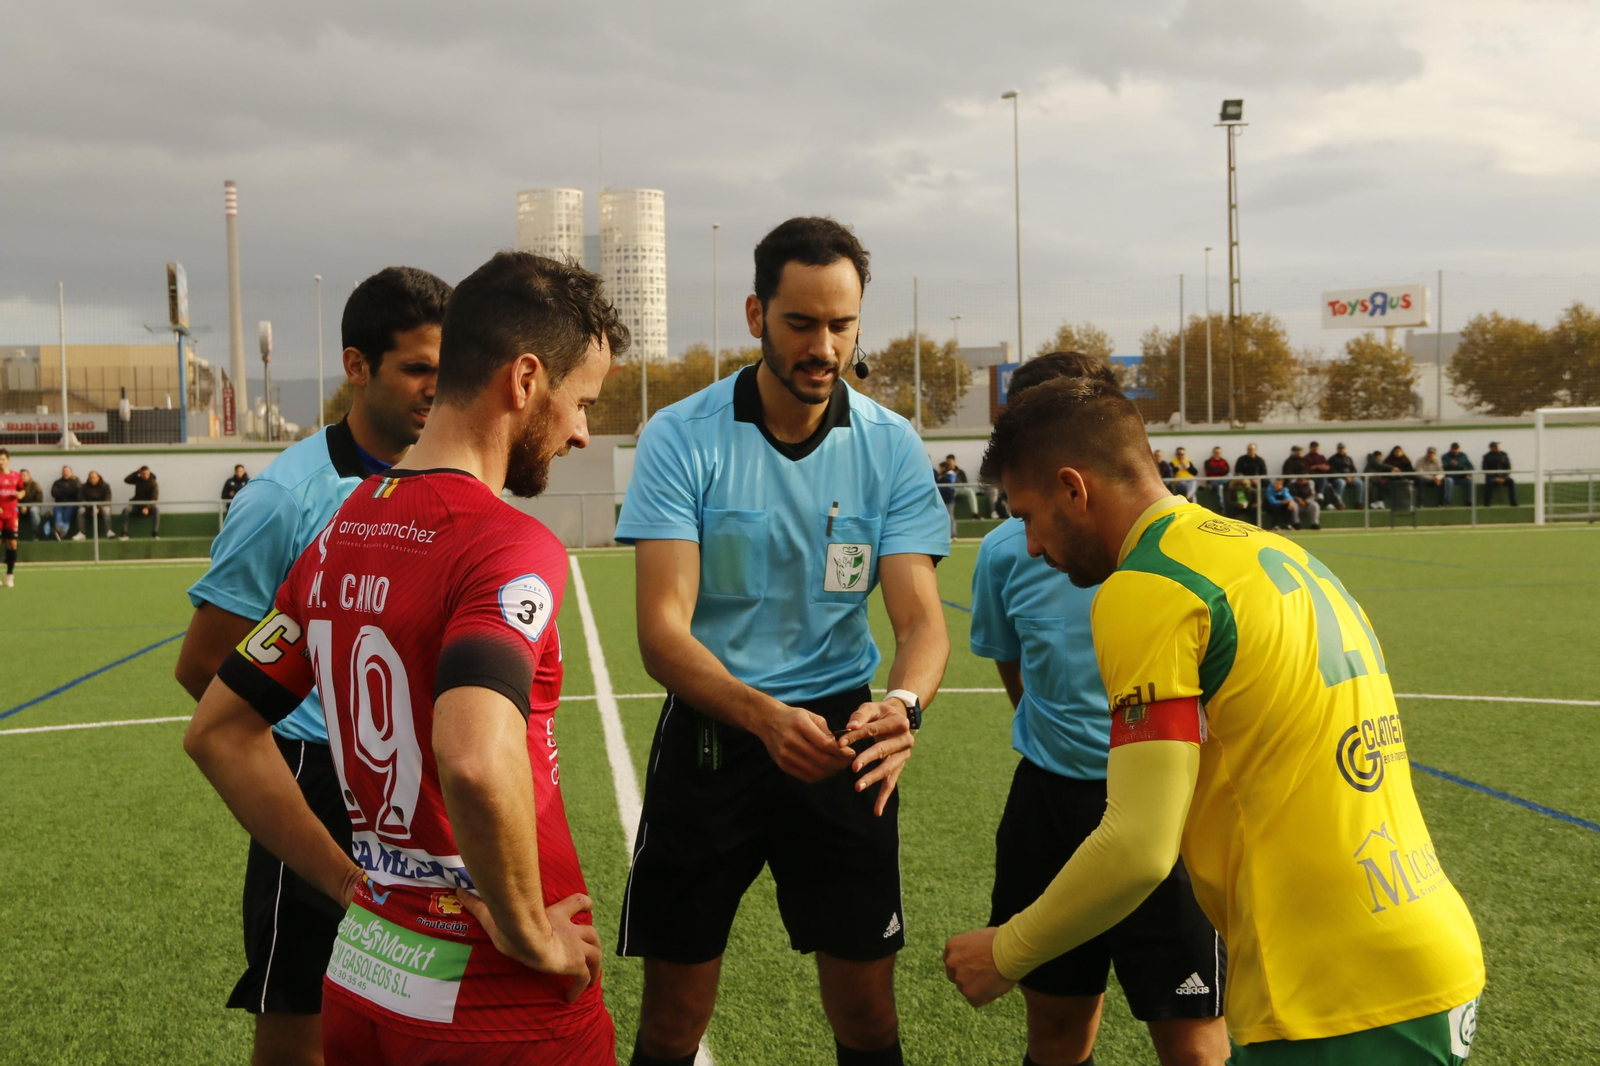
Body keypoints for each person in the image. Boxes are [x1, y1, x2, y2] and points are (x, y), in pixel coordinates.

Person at [945, 375, 1486, 1064]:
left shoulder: (1148, 586)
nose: (1027, 545)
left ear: (1074, 489)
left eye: (1027, 515)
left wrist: (1006, 950)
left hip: (1334, 991)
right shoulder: (1273, 554)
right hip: (1422, 945)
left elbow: (1139, 845)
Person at [184, 251, 624, 1065]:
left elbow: (217, 730)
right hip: (500, 998)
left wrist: (356, 887)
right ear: (525, 379)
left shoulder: (339, 532)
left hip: (367, 971)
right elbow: (472, 755)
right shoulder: (508, 545)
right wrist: (533, 932)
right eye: (579, 401)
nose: (580, 431)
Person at [614, 216, 951, 1066]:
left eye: (842, 325)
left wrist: (902, 706)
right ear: (756, 313)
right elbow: (662, 632)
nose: (824, 346)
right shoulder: (680, 436)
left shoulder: (891, 447)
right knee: (671, 1023)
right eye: (801, 323)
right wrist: (762, 717)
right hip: (715, 734)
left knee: (868, 1018)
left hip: (845, 741)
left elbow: (921, 624)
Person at [175, 266, 452, 1066]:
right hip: (316, 779)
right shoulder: (285, 496)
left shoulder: (444, 483)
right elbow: (203, 665)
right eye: (417, 368)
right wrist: (303, 737)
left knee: (420, 1010)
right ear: (357, 366)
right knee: (303, 1022)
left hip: (416, 779)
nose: (436, 389)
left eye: (448, 368)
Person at [969, 354, 1227, 1066]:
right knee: (1056, 1033)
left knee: (1196, 1043)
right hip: (1050, 807)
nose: (1033, 541)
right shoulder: (1006, 553)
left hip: (1166, 812)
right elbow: (1011, 660)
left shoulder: (1191, 553)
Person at [0, 449, 21, 587]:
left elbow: (22, 489)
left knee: (12, 543)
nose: (0, 462)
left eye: (2, 459)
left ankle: (10, 574)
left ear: (8, 460)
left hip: (11, 514)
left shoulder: (16, 476)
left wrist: (21, 494)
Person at [120, 465, 160, 539]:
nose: (145, 476)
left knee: (156, 510)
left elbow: (154, 498)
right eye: (143, 474)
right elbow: (126, 480)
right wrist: (136, 472)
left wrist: (147, 508)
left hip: (148, 506)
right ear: (140, 474)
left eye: (147, 474)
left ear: (150, 473)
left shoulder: (153, 483)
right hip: (137, 505)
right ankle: (124, 533)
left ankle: (155, 533)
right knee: (126, 510)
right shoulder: (138, 480)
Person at [50, 465, 84, 540]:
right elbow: (54, 493)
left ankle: (60, 533)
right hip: (59, 504)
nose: (66, 473)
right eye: (64, 471)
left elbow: (78, 492)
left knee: (66, 516)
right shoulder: (57, 482)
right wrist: (69, 492)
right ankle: (61, 532)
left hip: (72, 504)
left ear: (71, 473)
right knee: (58, 515)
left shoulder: (76, 482)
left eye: (67, 471)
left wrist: (64, 492)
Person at [945, 453, 981, 518]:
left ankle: (975, 514)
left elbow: (966, 482)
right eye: (947, 462)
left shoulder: (960, 471)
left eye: (949, 461)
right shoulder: (945, 472)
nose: (948, 463)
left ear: (954, 461)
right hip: (951, 490)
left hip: (961, 488)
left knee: (970, 491)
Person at [81, 471, 113, 538]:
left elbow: (108, 500)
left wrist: (98, 508)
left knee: (106, 510)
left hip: (102, 507)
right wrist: (91, 508)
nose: (92, 480)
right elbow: (82, 499)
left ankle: (109, 531)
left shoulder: (105, 486)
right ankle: (82, 533)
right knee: (80, 510)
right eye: (91, 478)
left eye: (94, 478)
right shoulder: (84, 486)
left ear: (98, 477)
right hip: (89, 507)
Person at [1326, 444, 1358, 510]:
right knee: (1341, 482)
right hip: (1337, 479)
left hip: (1349, 478)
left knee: (1360, 483)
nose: (1341, 450)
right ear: (1337, 449)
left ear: (1345, 449)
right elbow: (1332, 471)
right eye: (1340, 448)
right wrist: (1344, 477)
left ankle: (1360, 503)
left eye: (1343, 448)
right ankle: (1338, 503)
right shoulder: (1332, 459)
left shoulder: (1349, 458)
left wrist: (1351, 476)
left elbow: (1354, 470)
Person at [1202, 447, 1230, 512]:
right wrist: (1220, 471)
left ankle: (1222, 508)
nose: (1217, 454)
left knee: (1230, 475)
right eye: (1216, 452)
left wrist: (1217, 471)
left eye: (1219, 453)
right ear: (1213, 453)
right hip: (1212, 481)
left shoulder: (1224, 461)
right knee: (1220, 487)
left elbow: (1226, 471)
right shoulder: (1208, 462)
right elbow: (1210, 471)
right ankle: (1221, 507)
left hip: (1223, 482)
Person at [18, 469, 43, 539]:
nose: (22, 477)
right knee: (13, 510)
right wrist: (21, 507)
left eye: (24, 475)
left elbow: (39, 501)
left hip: (33, 507)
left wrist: (27, 507)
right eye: (21, 475)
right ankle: (11, 534)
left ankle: (35, 534)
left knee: (34, 511)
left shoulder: (35, 485)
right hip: (20, 507)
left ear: (29, 476)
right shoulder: (17, 485)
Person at [938, 458, 959, 537]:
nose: (940, 469)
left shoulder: (950, 475)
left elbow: (949, 486)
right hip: (943, 499)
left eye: (941, 467)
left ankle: (953, 534)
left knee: (950, 516)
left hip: (949, 499)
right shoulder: (942, 476)